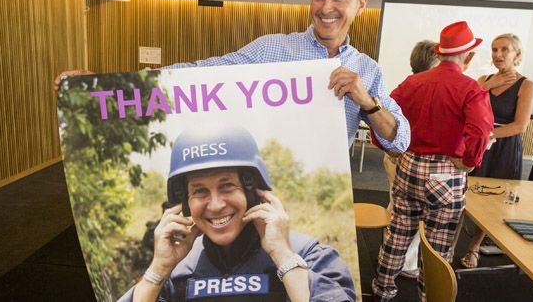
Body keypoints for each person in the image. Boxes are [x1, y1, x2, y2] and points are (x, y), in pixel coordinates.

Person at [53, 0, 410, 153]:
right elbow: (202, 72)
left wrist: (368, 102)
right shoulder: (273, 48)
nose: (326, 7)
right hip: (257, 188)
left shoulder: (366, 69)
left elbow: (400, 141)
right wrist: (100, 84)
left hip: (324, 202)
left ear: (361, 5)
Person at [118, 125, 355, 302]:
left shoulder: (310, 256)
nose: (215, 204)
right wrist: (158, 269)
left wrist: (283, 256)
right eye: (200, 191)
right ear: (186, 203)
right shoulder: (177, 272)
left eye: (227, 186)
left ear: (253, 192)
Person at [372, 21, 494, 302]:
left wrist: (388, 148)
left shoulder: (412, 82)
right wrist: (469, 161)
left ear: (441, 53)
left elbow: (381, 115)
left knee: (398, 234)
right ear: (470, 56)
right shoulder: (471, 88)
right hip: (445, 173)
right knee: (438, 245)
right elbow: (481, 130)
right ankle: (431, 296)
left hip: (409, 165)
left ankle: (382, 291)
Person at [461, 33, 533, 269]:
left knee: (492, 199)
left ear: (517, 54)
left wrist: (488, 135)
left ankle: (474, 246)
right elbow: (465, 107)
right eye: (494, 50)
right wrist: (487, 87)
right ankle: (449, 244)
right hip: (478, 143)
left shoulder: (526, 84)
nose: (498, 55)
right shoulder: (485, 79)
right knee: (464, 192)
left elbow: (520, 126)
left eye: (504, 49)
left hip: (503, 146)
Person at [381, 40, 439, 279]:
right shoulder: (430, 90)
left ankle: (390, 257)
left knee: (396, 208)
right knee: (415, 215)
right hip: (413, 162)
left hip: (395, 157)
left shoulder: (402, 87)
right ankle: (406, 263)